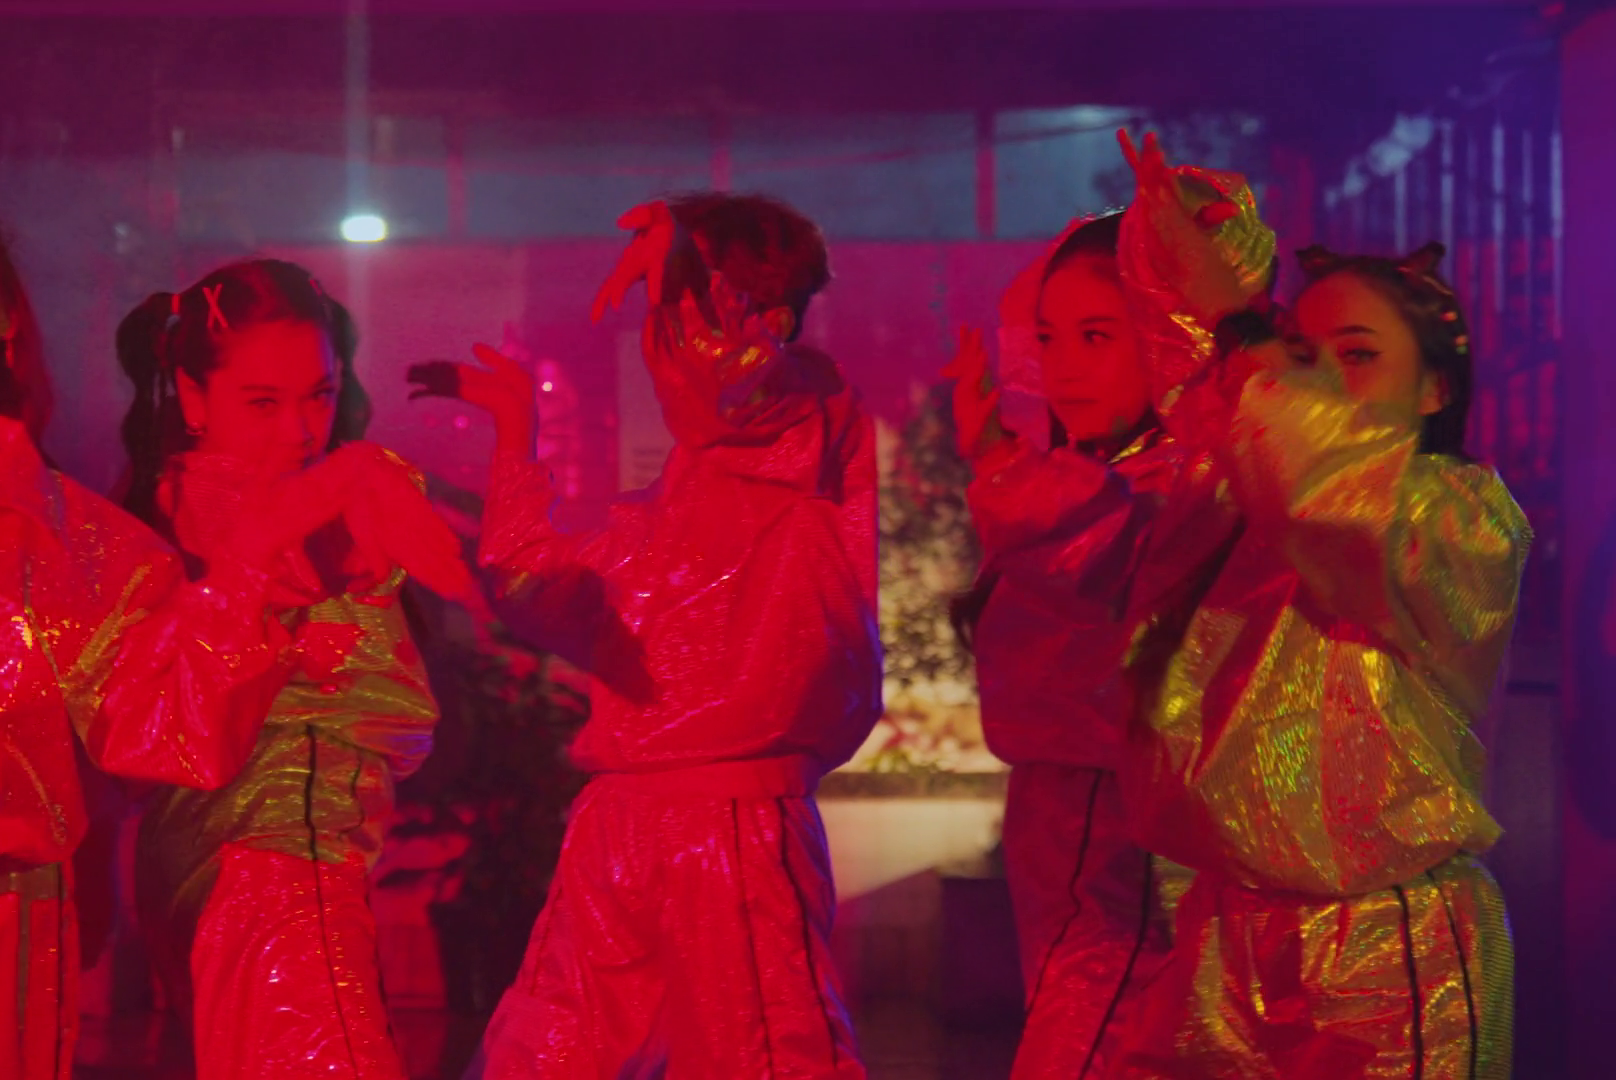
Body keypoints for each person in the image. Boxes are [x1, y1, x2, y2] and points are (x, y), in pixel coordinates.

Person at [0, 187, 464, 1080]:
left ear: (6, 315)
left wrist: (257, 557)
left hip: (15, 915)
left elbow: (166, 733)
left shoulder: (90, 544)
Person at [982, 133, 1527, 1079]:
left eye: (1359, 355)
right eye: (1305, 355)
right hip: (1227, 932)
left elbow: (1331, 485)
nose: (1319, 379)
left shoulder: (1458, 521)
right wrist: (1184, 244)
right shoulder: (1244, 499)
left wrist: (1238, 320)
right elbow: (1210, 392)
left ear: (1436, 386)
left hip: (1384, 949)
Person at [409, 193, 882, 1078]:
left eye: (700, 298)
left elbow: (730, 392)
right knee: (549, 1053)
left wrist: (679, 275)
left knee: (764, 1058)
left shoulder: (812, 420)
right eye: (675, 303)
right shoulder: (676, 503)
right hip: (622, 822)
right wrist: (516, 431)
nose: (670, 332)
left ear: (770, 320)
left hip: (730, 824)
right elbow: (534, 591)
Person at [943, 174, 1270, 1077]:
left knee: (1096, 1037)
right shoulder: (1113, 473)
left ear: (1171, 336)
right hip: (1068, 827)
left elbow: (1094, 559)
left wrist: (999, 463)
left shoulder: (1185, 484)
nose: (1063, 366)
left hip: (1129, 835)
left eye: (1097, 336)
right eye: (1048, 338)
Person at [117, 259, 444, 1079]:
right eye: (263, 402)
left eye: (319, 396)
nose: (300, 430)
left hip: (232, 864)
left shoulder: (185, 509)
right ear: (193, 399)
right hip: (276, 870)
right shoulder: (234, 517)